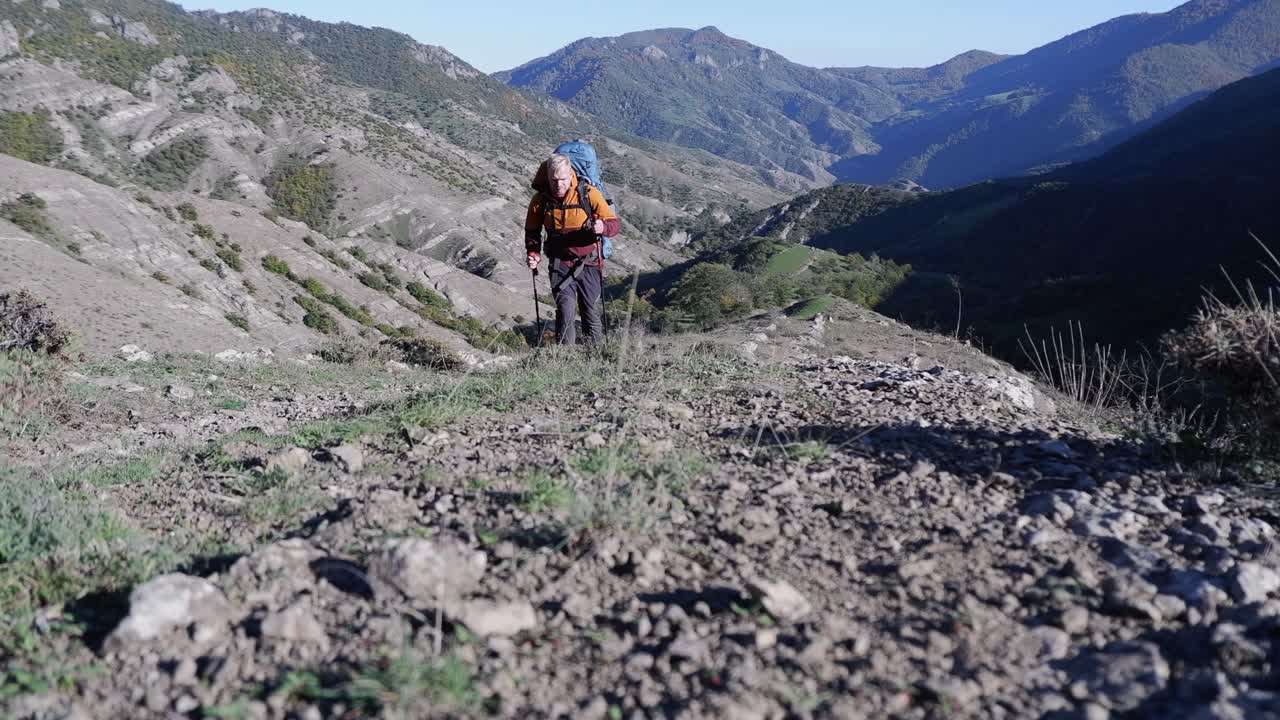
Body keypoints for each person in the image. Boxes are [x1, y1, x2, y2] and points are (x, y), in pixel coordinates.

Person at [524, 153, 620, 345]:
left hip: (589, 264)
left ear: (571, 175)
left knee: (590, 311)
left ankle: (594, 353)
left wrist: (602, 227)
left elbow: (614, 225)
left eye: (563, 179)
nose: (558, 185)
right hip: (560, 265)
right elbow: (532, 231)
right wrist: (533, 253)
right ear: (547, 177)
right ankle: (565, 357)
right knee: (565, 311)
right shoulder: (540, 200)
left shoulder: (588, 194)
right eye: (554, 180)